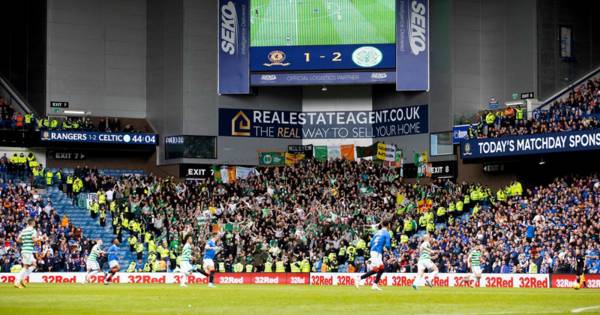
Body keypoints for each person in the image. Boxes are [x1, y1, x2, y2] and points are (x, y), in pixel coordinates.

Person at [355, 221, 391, 291]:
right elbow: (387, 245)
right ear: (388, 225)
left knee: (379, 269)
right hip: (377, 252)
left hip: (373, 251)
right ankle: (360, 279)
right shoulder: (386, 233)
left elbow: (371, 243)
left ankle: (372, 283)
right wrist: (387, 249)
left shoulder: (377, 232)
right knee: (381, 269)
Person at [14, 218, 39, 289]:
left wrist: (25, 241)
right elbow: (34, 240)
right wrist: (40, 238)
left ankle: (23, 279)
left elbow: (18, 239)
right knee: (25, 267)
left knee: (34, 264)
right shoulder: (33, 230)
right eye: (34, 222)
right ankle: (17, 281)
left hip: (26, 250)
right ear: (33, 223)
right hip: (27, 251)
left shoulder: (23, 230)